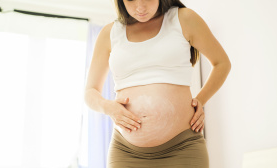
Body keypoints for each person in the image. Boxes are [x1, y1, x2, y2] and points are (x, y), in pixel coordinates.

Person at [84, 0, 231, 167]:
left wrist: (201, 100)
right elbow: (90, 91)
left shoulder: (184, 19)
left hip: (183, 148)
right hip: (126, 152)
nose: (140, 7)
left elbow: (222, 63)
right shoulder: (109, 33)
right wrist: (108, 107)